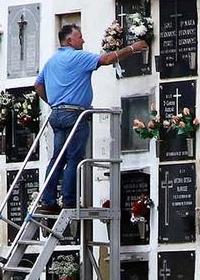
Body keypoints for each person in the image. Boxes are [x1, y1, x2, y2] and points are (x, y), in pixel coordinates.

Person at [34, 23, 147, 219]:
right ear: (69, 40)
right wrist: (132, 48)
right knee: (74, 159)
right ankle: (69, 201)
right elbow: (106, 59)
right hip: (75, 115)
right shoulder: (78, 57)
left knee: (56, 159)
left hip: (57, 115)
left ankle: (48, 202)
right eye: (80, 37)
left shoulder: (52, 61)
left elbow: (38, 85)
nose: (83, 40)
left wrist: (53, 103)